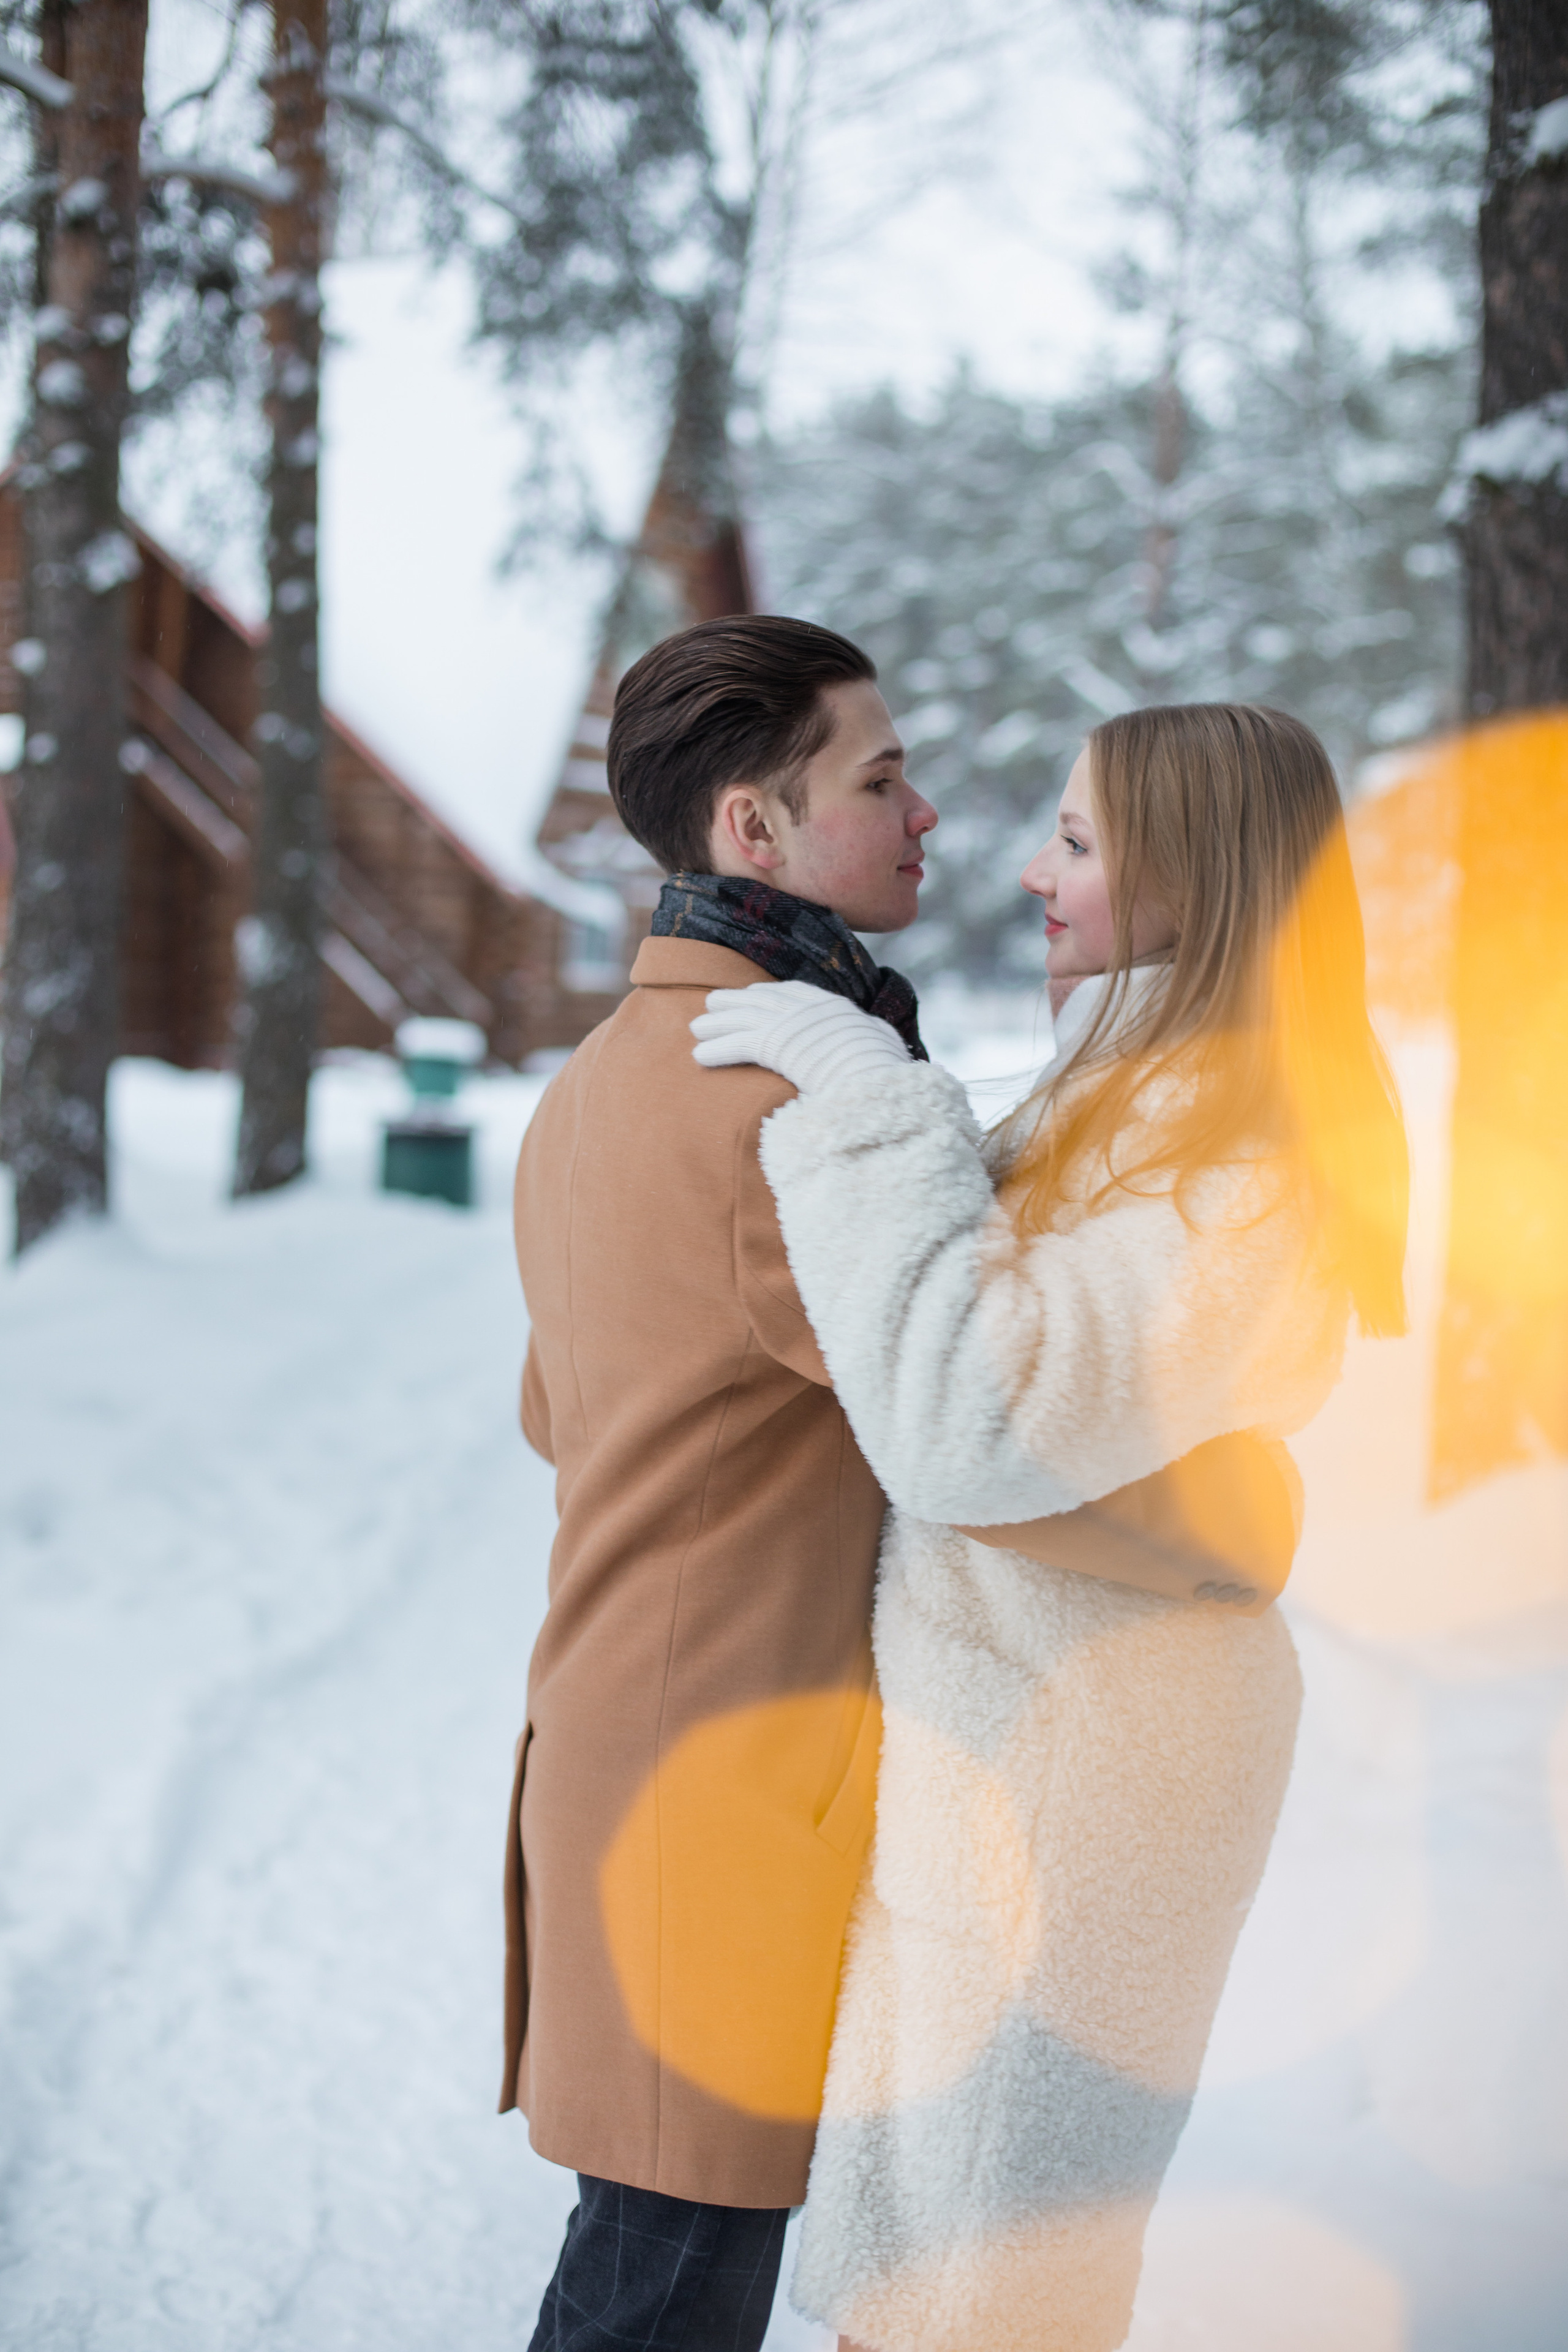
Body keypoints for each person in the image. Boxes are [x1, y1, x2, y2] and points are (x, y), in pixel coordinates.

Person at [691, 701, 1409, 2352]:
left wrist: (868, 1100)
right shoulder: (1137, 1102)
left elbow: (965, 1414)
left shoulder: (1241, 1157)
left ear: (1192, 872)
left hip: (1094, 1781)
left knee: (1001, 2292)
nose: (1028, 868)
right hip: (1012, 1755)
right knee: (921, 2275)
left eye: (1077, 841)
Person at [503, 613, 938, 2352]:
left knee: (648, 2277)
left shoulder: (602, 1082)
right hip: (719, 1809)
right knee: (656, 2307)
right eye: (883, 776)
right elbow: (979, 1409)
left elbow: (561, 1411)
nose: (927, 813)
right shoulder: (785, 1098)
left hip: (628, 1756)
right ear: (754, 831)